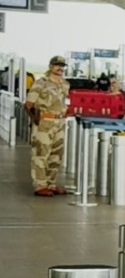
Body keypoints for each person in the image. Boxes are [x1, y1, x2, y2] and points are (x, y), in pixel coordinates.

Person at [24, 56, 71, 196]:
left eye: (62, 66)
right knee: (41, 153)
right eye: (57, 65)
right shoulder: (41, 83)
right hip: (44, 122)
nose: (60, 68)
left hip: (60, 122)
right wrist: (35, 120)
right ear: (50, 66)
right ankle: (40, 185)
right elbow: (28, 104)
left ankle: (51, 183)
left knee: (56, 154)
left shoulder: (65, 84)